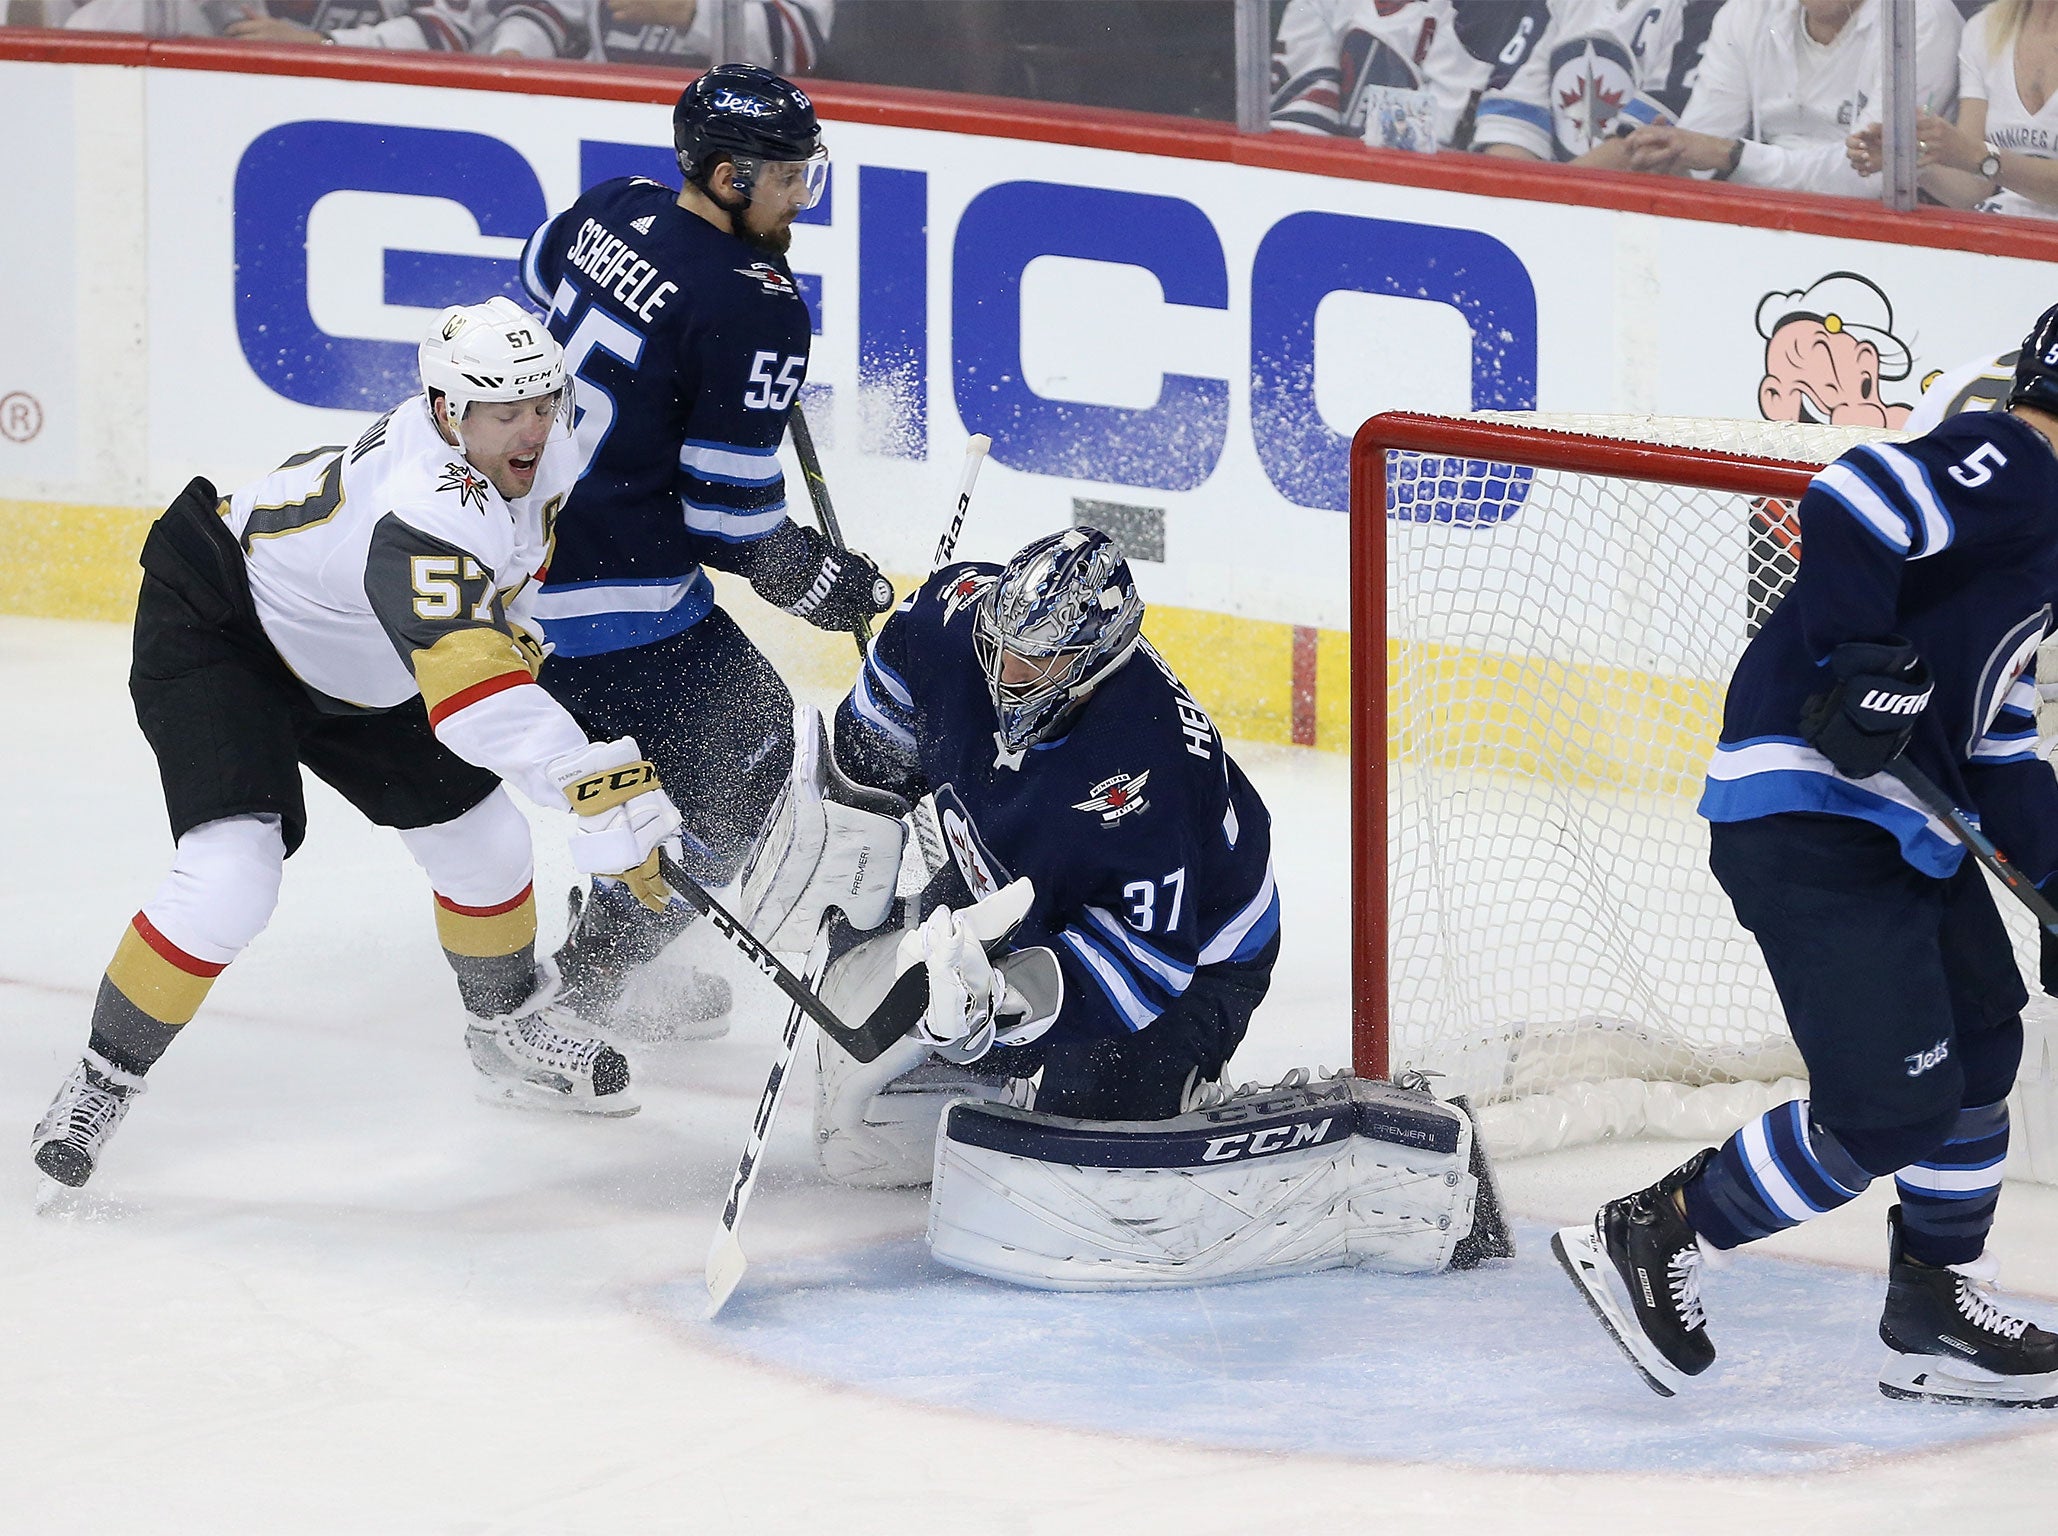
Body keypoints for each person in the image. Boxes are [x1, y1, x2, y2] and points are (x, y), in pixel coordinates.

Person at [30, 298, 692, 1189]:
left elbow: (503, 579)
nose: (531, 429)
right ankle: (102, 1078)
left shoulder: (547, 442)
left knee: (486, 846)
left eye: (543, 403)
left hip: (369, 651)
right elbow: (471, 694)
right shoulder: (421, 505)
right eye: (505, 412)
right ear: (446, 411)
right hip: (226, 626)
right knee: (232, 876)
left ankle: (503, 1031)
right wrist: (594, 780)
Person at [1554, 305, 2058, 1407]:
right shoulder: (2023, 462)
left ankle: (1933, 1305)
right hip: (1813, 815)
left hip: (1901, 830)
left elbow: (1998, 747)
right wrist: (1858, 655)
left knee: (1981, 1046)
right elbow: (1855, 496)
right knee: (1889, 1111)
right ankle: (1661, 1227)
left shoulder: (2044, 542)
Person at [516, 64, 894, 1029]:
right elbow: (725, 516)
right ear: (731, 177)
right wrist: (821, 581)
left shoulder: (614, 205)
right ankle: (595, 987)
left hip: (520, 567)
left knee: (670, 768)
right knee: (753, 762)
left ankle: (615, 933)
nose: (802, 194)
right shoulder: (753, 300)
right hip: (617, 600)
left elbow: (529, 295)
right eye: (789, 177)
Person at [744, 528, 1280, 1189]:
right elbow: (885, 700)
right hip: (1013, 871)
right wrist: (855, 820)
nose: (1004, 675)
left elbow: (1147, 966)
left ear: (1095, 662)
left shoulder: (1141, 773)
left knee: (1080, 1162)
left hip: (1192, 956)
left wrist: (995, 1003)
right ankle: (1006, 1058)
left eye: (1036, 664)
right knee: (875, 1107)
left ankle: (1178, 1085)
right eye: (998, 649)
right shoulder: (951, 618)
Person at [1614, 0, 1961, 196]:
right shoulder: (1746, 12)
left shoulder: (1919, 16)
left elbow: (1870, 172)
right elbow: (1702, 143)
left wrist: (1731, 156)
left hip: (1881, 241)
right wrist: (1673, 159)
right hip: (1757, 222)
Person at [1849, 0, 2058, 217]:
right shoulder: (1986, 29)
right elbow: (1971, 190)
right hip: (1997, 232)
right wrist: (1907, 158)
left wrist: (1980, 156)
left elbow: (1978, 159)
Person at [1269, 0, 1548, 152]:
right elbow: (1294, 140)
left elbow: (1431, 152)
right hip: (1326, 204)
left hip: (1433, 212)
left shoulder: (1490, 9)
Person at [1473, 0, 1721, 167]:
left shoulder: (1706, 9)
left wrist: (1548, 202)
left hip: (1648, 223)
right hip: (1552, 206)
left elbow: (1644, 146)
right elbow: (1511, 127)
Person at [482, 0, 830, 71]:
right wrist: (515, 51)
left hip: (729, 131)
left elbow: (800, 44)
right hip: (605, 114)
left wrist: (684, 12)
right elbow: (549, 11)